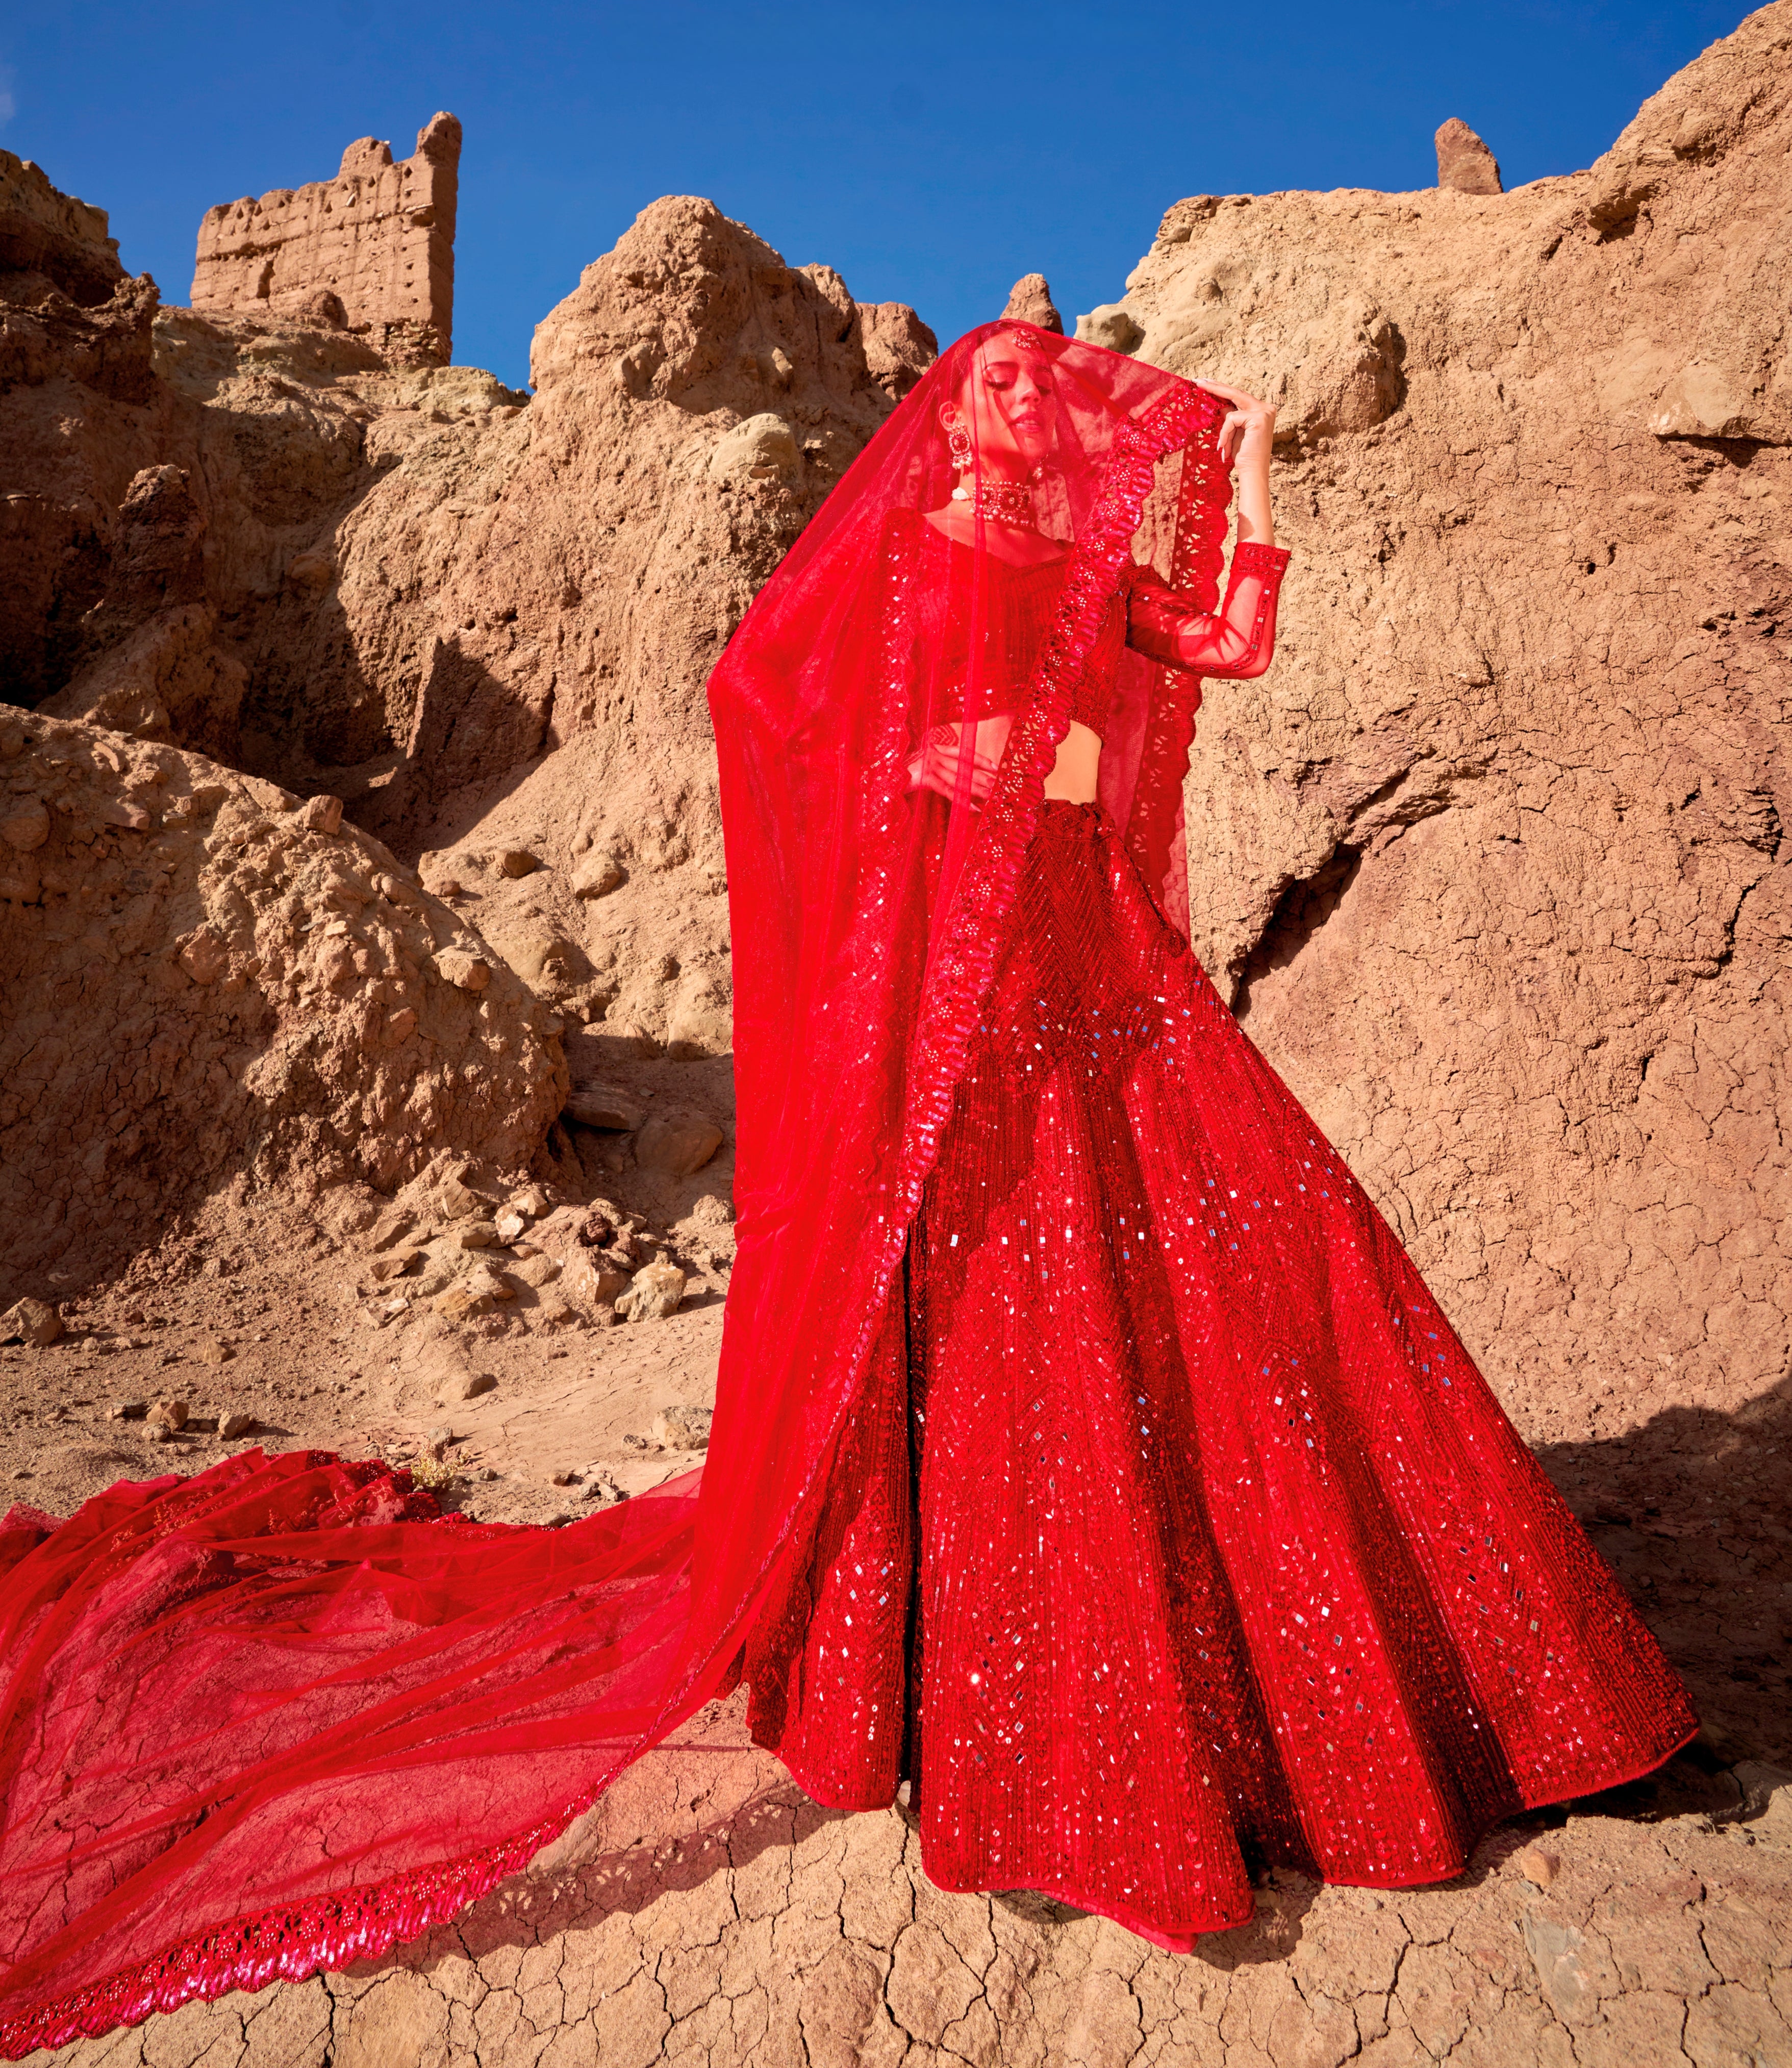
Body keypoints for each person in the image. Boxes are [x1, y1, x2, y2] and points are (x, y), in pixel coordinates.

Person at [0, 324, 1694, 2055]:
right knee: (1010, 1314)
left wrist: (1243, 453)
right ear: (950, 422)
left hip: (1099, 970)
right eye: (1006, 391)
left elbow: (1222, 639)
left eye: (1057, 391)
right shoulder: (910, 556)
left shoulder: (1083, 562)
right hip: (960, 988)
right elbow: (770, 703)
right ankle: (989, 1720)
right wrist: (935, 765)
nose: (1036, 412)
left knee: (1258, 1253)